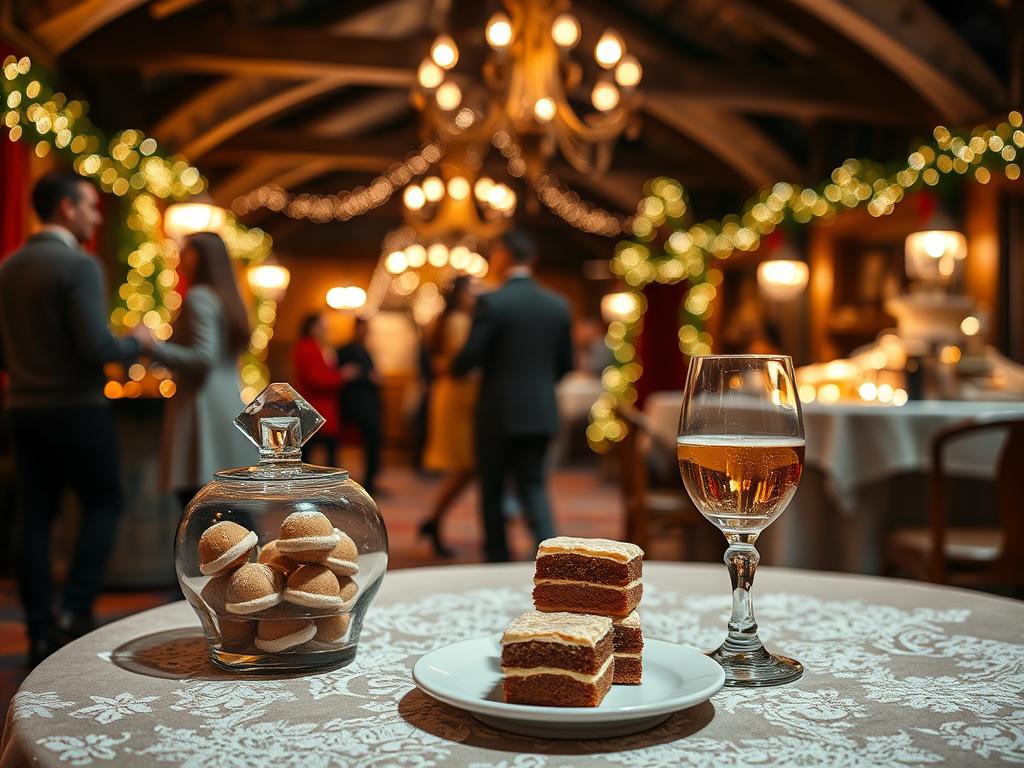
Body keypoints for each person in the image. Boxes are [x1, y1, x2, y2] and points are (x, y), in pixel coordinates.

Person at [0, 171, 143, 665]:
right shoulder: (78, 266)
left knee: (36, 517)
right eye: (89, 206)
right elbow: (96, 348)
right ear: (66, 207)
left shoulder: (9, 267)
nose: (96, 215)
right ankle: (76, 610)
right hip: (77, 408)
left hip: (22, 410)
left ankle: (39, 627)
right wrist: (138, 343)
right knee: (105, 501)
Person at [452, 230, 574, 562]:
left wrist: (455, 366)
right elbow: (566, 366)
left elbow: (469, 358)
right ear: (533, 260)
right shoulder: (558, 305)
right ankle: (554, 562)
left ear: (503, 254)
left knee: (491, 490)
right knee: (534, 488)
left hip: (498, 413)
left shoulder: (493, 302)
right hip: (541, 412)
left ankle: (497, 561)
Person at [147, 232, 256, 510]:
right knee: (229, 507)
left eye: (185, 251)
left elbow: (203, 358)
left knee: (199, 508)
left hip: (200, 406)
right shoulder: (230, 297)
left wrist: (151, 346)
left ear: (198, 256)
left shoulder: (198, 297)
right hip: (228, 402)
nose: (180, 258)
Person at [417, 276, 478, 557]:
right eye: (472, 290)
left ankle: (434, 521)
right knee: (466, 466)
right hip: (459, 398)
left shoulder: (447, 320)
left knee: (466, 468)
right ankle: (435, 520)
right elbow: (461, 361)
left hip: (453, 395)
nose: (476, 296)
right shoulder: (458, 322)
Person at [292, 313, 356, 465]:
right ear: (312, 328)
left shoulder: (318, 347)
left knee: (320, 452)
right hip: (316, 406)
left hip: (321, 407)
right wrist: (342, 376)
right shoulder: (308, 347)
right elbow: (316, 379)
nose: (325, 330)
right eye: (322, 327)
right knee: (315, 455)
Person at [336, 317, 383, 495]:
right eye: (364, 328)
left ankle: (371, 481)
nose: (366, 332)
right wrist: (368, 377)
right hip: (355, 403)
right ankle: (339, 483)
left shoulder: (364, 350)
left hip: (368, 402)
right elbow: (345, 373)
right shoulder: (346, 349)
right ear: (357, 329)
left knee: (373, 442)